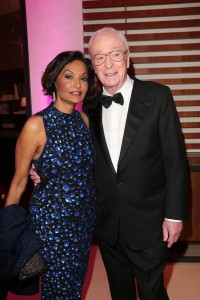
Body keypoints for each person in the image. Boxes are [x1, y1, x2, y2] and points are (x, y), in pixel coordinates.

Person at [31, 28, 188, 300]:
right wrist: (41, 169)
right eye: (100, 57)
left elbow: (175, 161)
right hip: (107, 224)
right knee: (120, 292)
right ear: (93, 66)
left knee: (152, 292)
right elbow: (74, 155)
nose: (108, 64)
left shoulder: (159, 96)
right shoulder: (87, 106)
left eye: (115, 54)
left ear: (127, 59)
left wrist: (174, 216)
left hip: (149, 222)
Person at [5, 50, 97, 300]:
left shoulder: (83, 120)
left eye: (84, 78)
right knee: (57, 289)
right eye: (69, 76)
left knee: (76, 282)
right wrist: (7, 234)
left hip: (84, 220)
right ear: (54, 80)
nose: (77, 85)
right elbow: (19, 180)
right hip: (52, 224)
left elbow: (81, 171)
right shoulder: (37, 125)